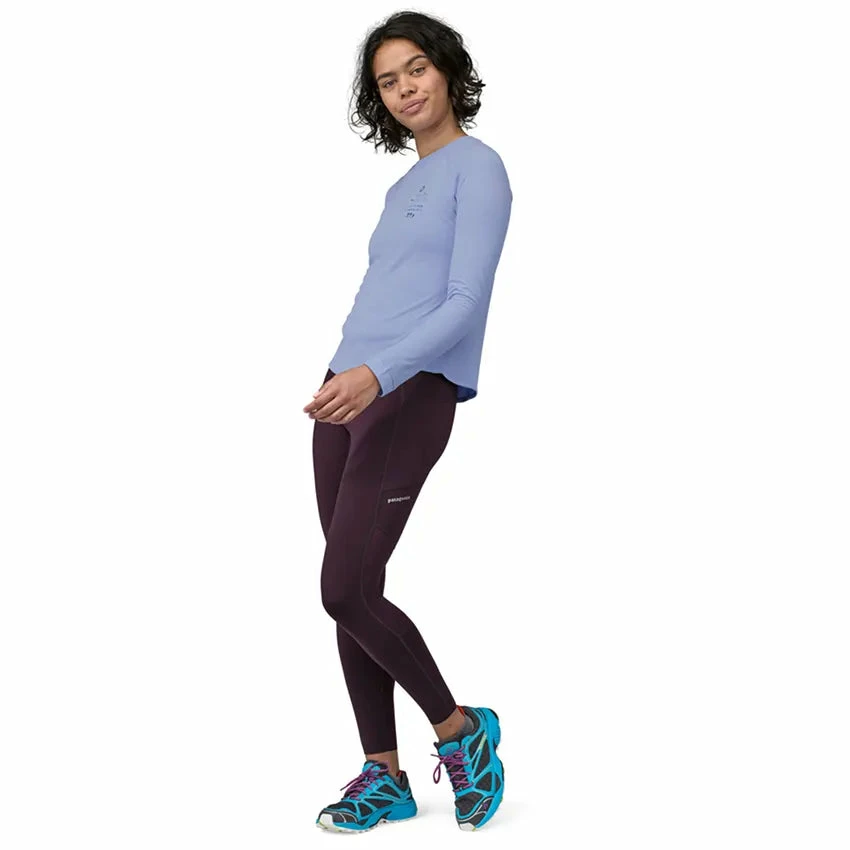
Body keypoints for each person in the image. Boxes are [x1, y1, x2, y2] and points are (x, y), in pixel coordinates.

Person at [303, 10, 512, 833]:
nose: (405, 89)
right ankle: (383, 774)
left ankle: (462, 733)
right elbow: (385, 292)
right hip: (345, 394)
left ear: (448, 70)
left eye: (416, 69)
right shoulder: (400, 188)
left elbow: (463, 304)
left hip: (406, 391)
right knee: (353, 594)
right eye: (388, 81)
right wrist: (341, 375)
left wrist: (376, 375)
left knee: (345, 588)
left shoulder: (479, 169)